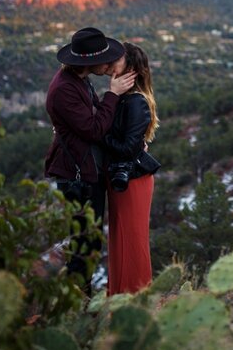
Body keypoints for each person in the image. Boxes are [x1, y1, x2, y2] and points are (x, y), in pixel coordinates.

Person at [44, 27, 135, 293]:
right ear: (90, 62)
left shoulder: (78, 80)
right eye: (105, 60)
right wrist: (113, 94)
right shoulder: (64, 89)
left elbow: (88, 120)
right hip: (76, 176)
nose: (109, 64)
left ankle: (79, 299)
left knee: (90, 242)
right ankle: (77, 305)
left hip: (85, 172)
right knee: (84, 244)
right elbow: (94, 129)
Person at [103, 41, 160, 295]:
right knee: (120, 241)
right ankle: (119, 299)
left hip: (134, 182)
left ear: (132, 68)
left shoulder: (136, 102)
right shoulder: (124, 99)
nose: (113, 61)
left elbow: (128, 148)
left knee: (132, 242)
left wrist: (95, 134)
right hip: (122, 179)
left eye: (119, 58)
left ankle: (135, 300)